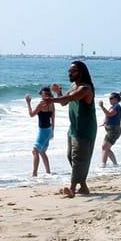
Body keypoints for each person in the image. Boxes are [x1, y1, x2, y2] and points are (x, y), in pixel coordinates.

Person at [47, 61, 97, 198]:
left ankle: (72, 188)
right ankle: (83, 186)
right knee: (71, 156)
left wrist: (50, 100)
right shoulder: (73, 86)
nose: (69, 73)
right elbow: (64, 102)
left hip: (85, 128)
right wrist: (58, 93)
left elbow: (71, 97)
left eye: (73, 71)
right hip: (74, 127)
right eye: (69, 71)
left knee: (78, 158)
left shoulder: (85, 88)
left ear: (81, 72)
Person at [25, 87, 55, 176]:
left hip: (43, 131)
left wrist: (28, 103)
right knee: (42, 151)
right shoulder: (52, 103)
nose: (41, 95)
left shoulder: (41, 104)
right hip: (49, 129)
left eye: (41, 94)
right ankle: (48, 172)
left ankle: (34, 173)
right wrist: (53, 131)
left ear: (43, 94)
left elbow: (31, 114)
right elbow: (53, 117)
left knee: (35, 151)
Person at [98, 92, 121, 167]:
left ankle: (103, 164)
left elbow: (109, 114)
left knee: (104, 147)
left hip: (114, 130)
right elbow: (108, 115)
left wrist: (102, 107)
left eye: (111, 98)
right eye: (109, 98)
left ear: (116, 99)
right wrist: (104, 122)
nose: (109, 100)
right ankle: (115, 164)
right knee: (106, 147)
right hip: (111, 129)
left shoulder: (117, 106)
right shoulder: (113, 106)